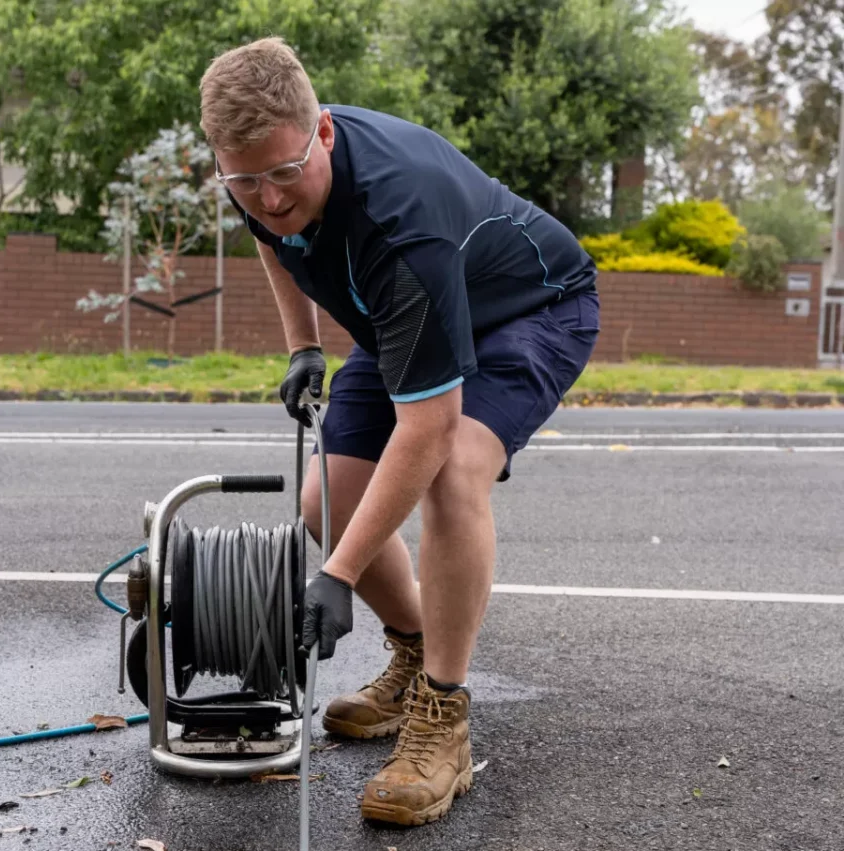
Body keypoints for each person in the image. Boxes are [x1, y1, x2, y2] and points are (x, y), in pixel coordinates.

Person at [198, 37, 600, 827]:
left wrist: (339, 578)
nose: (268, 197)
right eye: (243, 179)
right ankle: (414, 652)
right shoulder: (257, 174)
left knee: (452, 475)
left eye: (283, 174)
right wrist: (304, 344)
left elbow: (428, 427)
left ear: (322, 134)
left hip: (527, 312)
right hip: (405, 322)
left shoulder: (398, 214)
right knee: (326, 503)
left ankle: (441, 717)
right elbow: (274, 238)